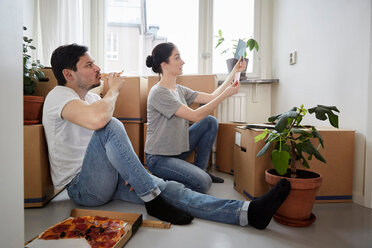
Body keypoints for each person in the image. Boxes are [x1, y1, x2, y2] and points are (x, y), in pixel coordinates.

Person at [43, 43, 291, 230]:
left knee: (172, 190)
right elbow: (100, 123)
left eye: (94, 63)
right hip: (81, 188)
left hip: (105, 178)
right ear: (68, 74)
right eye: (88, 65)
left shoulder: (94, 99)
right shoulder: (58, 97)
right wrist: (115, 88)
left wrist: (129, 174)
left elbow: (105, 146)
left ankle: (247, 213)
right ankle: (153, 198)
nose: (97, 68)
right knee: (111, 125)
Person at [145, 42, 245, 193]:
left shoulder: (178, 89)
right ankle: (167, 183)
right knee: (203, 184)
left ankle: (200, 171)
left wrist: (234, 72)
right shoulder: (159, 92)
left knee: (210, 121)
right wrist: (226, 94)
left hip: (177, 150)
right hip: (159, 159)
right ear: (164, 65)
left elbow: (212, 96)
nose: (182, 62)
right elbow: (195, 116)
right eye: (177, 58)